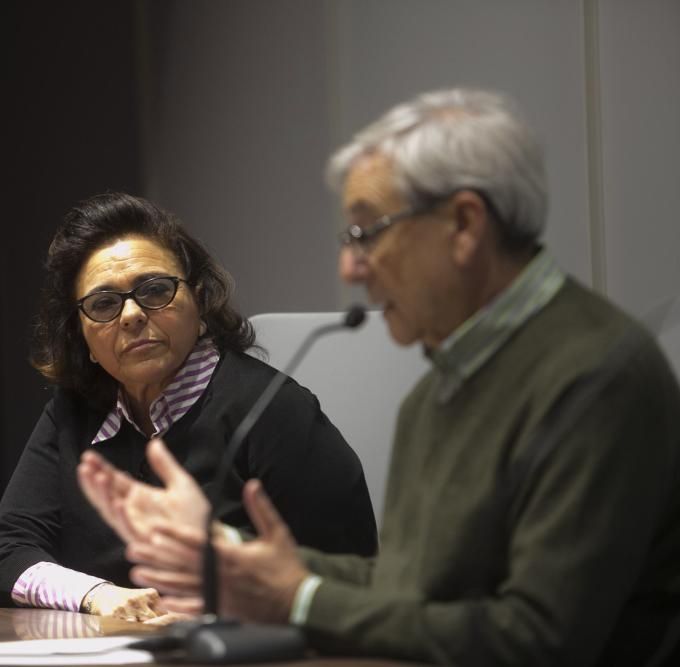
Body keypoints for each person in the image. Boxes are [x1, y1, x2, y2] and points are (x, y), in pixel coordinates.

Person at [77, 89, 680, 664]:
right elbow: (409, 586)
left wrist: (299, 599)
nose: (350, 266)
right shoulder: (437, 392)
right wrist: (225, 555)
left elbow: (537, 639)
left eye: (368, 233)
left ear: (465, 226)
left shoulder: (596, 375)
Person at [0, 192, 378, 622]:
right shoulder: (72, 413)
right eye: (104, 303)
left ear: (200, 301)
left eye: (154, 291)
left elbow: (349, 585)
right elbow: (2, 554)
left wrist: (219, 611)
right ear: (81, 336)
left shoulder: (273, 410)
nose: (130, 315)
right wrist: (98, 595)